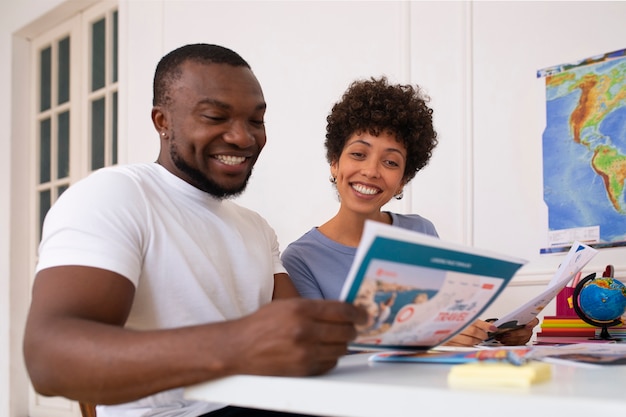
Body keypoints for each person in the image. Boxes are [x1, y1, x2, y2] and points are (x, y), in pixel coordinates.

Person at [22, 43, 367, 417]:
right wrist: (236, 345)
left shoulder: (255, 227)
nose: (243, 137)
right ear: (162, 122)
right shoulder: (114, 196)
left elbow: (298, 338)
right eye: (216, 117)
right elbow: (49, 360)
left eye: (256, 120)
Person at [281, 76, 538, 347]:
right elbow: (320, 348)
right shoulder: (301, 259)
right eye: (358, 154)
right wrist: (431, 336)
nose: (370, 171)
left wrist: (492, 335)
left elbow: (444, 324)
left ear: (403, 179)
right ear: (334, 163)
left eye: (390, 162)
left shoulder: (420, 232)